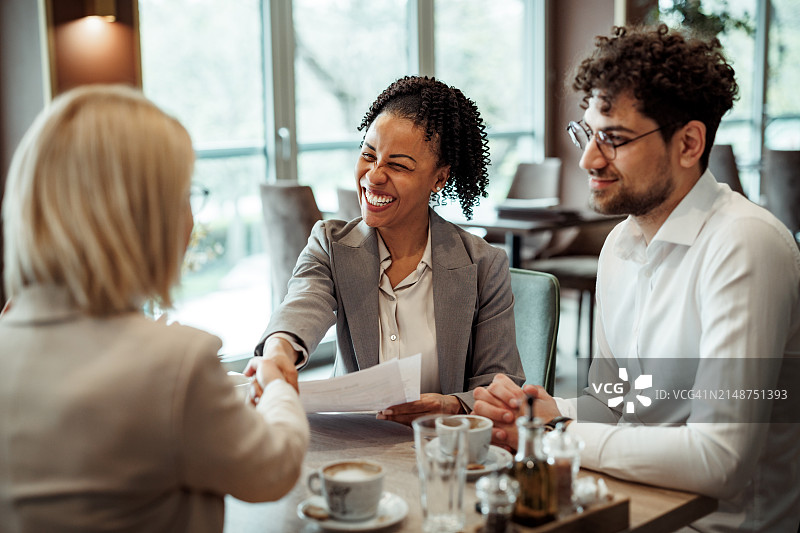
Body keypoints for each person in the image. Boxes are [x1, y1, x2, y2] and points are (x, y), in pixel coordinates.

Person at [472, 25, 800, 532]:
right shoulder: (620, 245)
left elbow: (721, 458)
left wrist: (554, 432)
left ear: (689, 143)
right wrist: (542, 407)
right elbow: (614, 401)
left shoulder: (746, 244)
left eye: (615, 138)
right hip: (631, 510)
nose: (588, 159)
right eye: (587, 133)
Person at [0, 85, 309, 532]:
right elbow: (274, 469)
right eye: (185, 193)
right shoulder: (173, 365)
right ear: (144, 216)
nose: (192, 215)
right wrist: (276, 383)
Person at [255, 76, 525, 424]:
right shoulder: (331, 245)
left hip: (440, 448)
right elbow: (302, 304)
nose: (374, 176)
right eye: (368, 155)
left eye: (398, 165)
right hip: (352, 446)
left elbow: (500, 384)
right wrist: (278, 350)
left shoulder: (484, 264)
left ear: (439, 178)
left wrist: (451, 406)